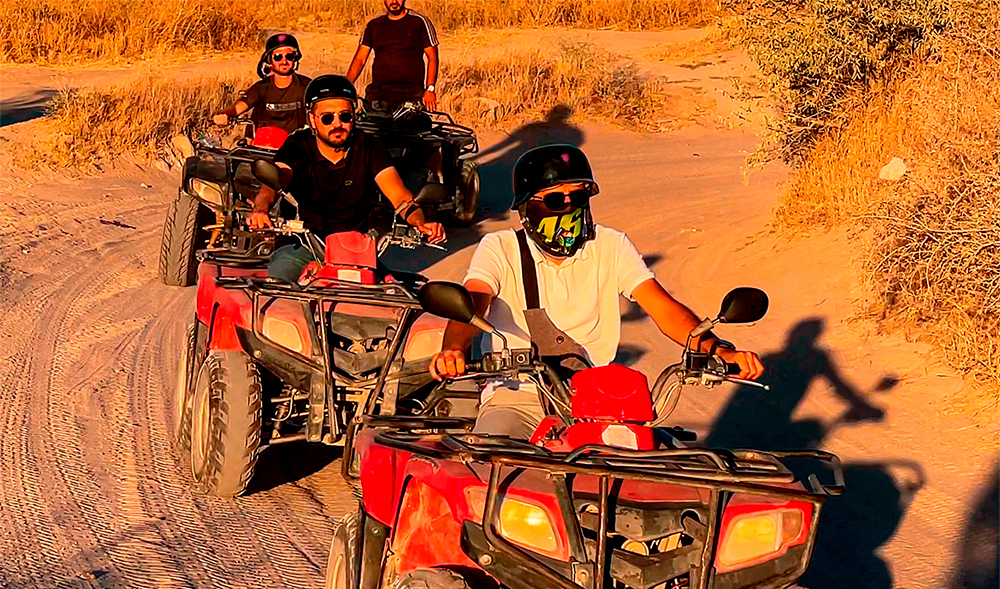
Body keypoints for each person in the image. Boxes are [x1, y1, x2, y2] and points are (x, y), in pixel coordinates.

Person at [429, 144, 765, 438]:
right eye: (556, 199)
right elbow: (473, 303)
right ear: (527, 208)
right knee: (493, 464)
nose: (570, 207)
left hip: (598, 400)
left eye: (578, 197)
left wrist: (720, 350)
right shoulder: (501, 248)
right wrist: (454, 349)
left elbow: (663, 309)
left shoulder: (610, 246)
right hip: (518, 394)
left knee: (640, 476)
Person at [246, 75, 445, 283]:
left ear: (354, 116)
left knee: (391, 294)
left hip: (353, 251)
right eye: (327, 118)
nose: (337, 124)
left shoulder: (369, 147)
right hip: (301, 245)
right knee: (279, 291)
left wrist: (421, 223)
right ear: (312, 120)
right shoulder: (297, 146)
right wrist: (261, 209)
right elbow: (274, 182)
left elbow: (401, 198)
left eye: (345, 116)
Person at [345, 0, 439, 112]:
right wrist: (346, 85)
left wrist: (430, 89)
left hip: (412, 94)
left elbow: (432, 57)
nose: (394, 1)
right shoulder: (374, 25)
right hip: (379, 94)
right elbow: (360, 59)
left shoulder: (419, 22)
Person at [213, 33, 311, 135]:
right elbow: (237, 108)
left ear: (295, 59)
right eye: (278, 57)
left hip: (297, 145)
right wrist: (224, 115)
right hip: (264, 146)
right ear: (269, 60)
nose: (284, 61)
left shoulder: (307, 86)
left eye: (289, 56)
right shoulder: (260, 88)